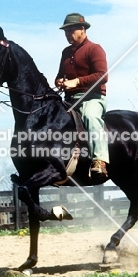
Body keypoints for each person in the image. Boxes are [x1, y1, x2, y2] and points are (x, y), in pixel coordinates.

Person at [55, 13, 109, 179]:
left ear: (82, 29)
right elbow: (59, 75)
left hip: (92, 97)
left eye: (70, 31)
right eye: (65, 32)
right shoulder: (65, 52)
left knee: (91, 117)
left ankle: (99, 161)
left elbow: (103, 75)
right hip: (70, 99)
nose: (67, 35)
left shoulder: (94, 49)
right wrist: (59, 81)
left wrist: (76, 82)